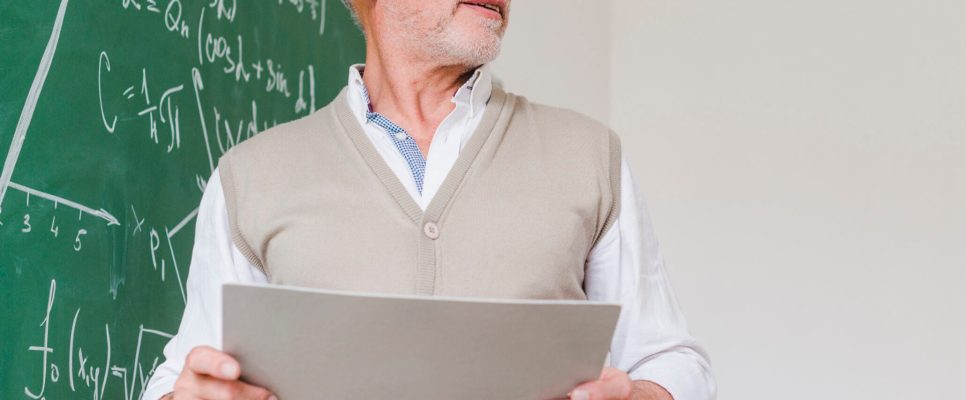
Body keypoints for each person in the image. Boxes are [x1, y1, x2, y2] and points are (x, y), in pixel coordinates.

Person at [143, 1, 715, 399]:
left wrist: (640, 396)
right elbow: (184, 375)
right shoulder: (250, 177)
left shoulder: (590, 156)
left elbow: (670, 359)